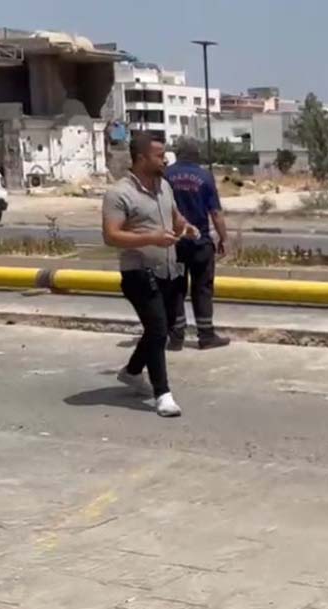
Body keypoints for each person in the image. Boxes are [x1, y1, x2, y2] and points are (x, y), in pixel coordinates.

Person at [102, 133, 200, 417]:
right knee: (158, 329)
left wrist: (187, 227)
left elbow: (175, 216)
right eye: (159, 155)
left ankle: (132, 371)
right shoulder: (119, 193)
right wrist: (151, 238)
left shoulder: (164, 187)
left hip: (168, 270)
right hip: (138, 272)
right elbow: (111, 235)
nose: (165, 159)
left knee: (163, 328)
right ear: (142, 158)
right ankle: (163, 393)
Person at [165, 139, 230, 351]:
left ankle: (176, 337)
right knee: (202, 288)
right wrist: (223, 238)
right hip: (200, 244)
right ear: (197, 155)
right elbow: (216, 213)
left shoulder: (166, 176)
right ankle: (206, 336)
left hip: (174, 244)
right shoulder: (205, 176)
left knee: (175, 288)